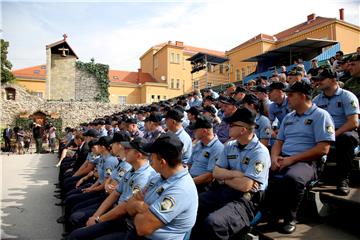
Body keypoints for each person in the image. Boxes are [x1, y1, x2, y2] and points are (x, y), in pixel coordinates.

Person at [191, 107, 270, 240]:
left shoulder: (259, 152)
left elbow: (245, 186)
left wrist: (224, 177)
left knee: (214, 222)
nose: (228, 127)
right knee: (193, 205)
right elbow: (216, 172)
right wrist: (237, 174)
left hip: (246, 199)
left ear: (243, 129)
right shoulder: (230, 145)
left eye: (232, 125)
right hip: (224, 190)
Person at [269, 81, 335, 234]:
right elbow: (278, 142)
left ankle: (290, 217)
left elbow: (323, 149)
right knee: (260, 173)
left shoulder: (321, 115)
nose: (288, 98)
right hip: (284, 157)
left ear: (303, 96)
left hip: (308, 161)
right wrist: (274, 158)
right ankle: (269, 210)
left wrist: (292, 159)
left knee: (293, 178)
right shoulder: (288, 117)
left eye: (291, 95)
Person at [66, 137, 156, 240]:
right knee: (77, 229)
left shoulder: (144, 176)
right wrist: (95, 216)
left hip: (125, 221)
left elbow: (124, 208)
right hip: (116, 212)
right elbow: (115, 194)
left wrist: (98, 220)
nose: (124, 151)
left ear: (138, 155)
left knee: (77, 224)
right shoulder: (132, 170)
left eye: (128, 149)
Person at [114, 132, 198, 240]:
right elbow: (129, 208)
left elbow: (142, 227)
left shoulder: (180, 189)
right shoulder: (158, 177)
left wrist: (136, 205)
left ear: (162, 162)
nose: (149, 160)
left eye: (152, 157)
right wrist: (139, 206)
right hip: (134, 231)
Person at [312, 67, 359, 195]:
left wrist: (331, 135)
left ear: (333, 80)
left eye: (322, 79)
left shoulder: (347, 96)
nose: (319, 82)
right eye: (318, 79)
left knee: (347, 139)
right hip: (324, 132)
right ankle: (313, 175)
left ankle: (343, 179)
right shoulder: (317, 100)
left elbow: (353, 122)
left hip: (344, 130)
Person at [188, 115, 224, 192]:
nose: (193, 132)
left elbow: (210, 176)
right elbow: (189, 164)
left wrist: (189, 183)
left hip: (203, 186)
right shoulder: (199, 144)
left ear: (204, 131)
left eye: (195, 130)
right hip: (191, 179)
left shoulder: (217, 148)